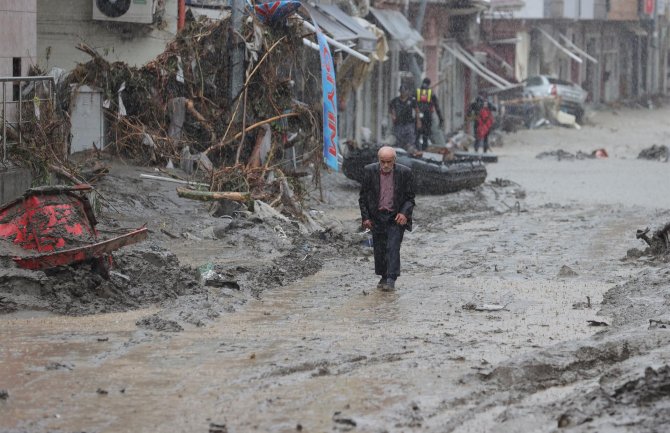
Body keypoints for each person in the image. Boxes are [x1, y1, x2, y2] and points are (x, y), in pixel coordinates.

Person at [359, 146, 415, 290]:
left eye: (389, 162)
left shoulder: (404, 173)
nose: (385, 165)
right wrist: (365, 217)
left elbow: (410, 198)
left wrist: (404, 213)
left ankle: (391, 278)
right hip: (377, 215)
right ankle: (383, 276)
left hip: (395, 216)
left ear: (394, 161)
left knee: (393, 246)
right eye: (383, 162)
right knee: (380, 248)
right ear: (378, 160)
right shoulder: (369, 171)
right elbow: (363, 197)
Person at [415, 78, 444, 151]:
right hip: (427, 116)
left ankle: (417, 150)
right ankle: (424, 150)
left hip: (418, 117)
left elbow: (412, 104)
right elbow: (437, 107)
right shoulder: (431, 93)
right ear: (429, 84)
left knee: (417, 135)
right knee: (425, 136)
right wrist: (441, 119)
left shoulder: (417, 92)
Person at [389, 84, 419, 151]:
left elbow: (417, 110)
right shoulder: (395, 101)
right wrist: (393, 116)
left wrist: (418, 121)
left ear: (407, 91)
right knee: (399, 141)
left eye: (404, 91)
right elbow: (391, 109)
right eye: (402, 91)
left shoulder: (412, 100)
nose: (403, 93)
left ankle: (410, 151)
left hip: (409, 123)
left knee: (410, 141)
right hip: (399, 124)